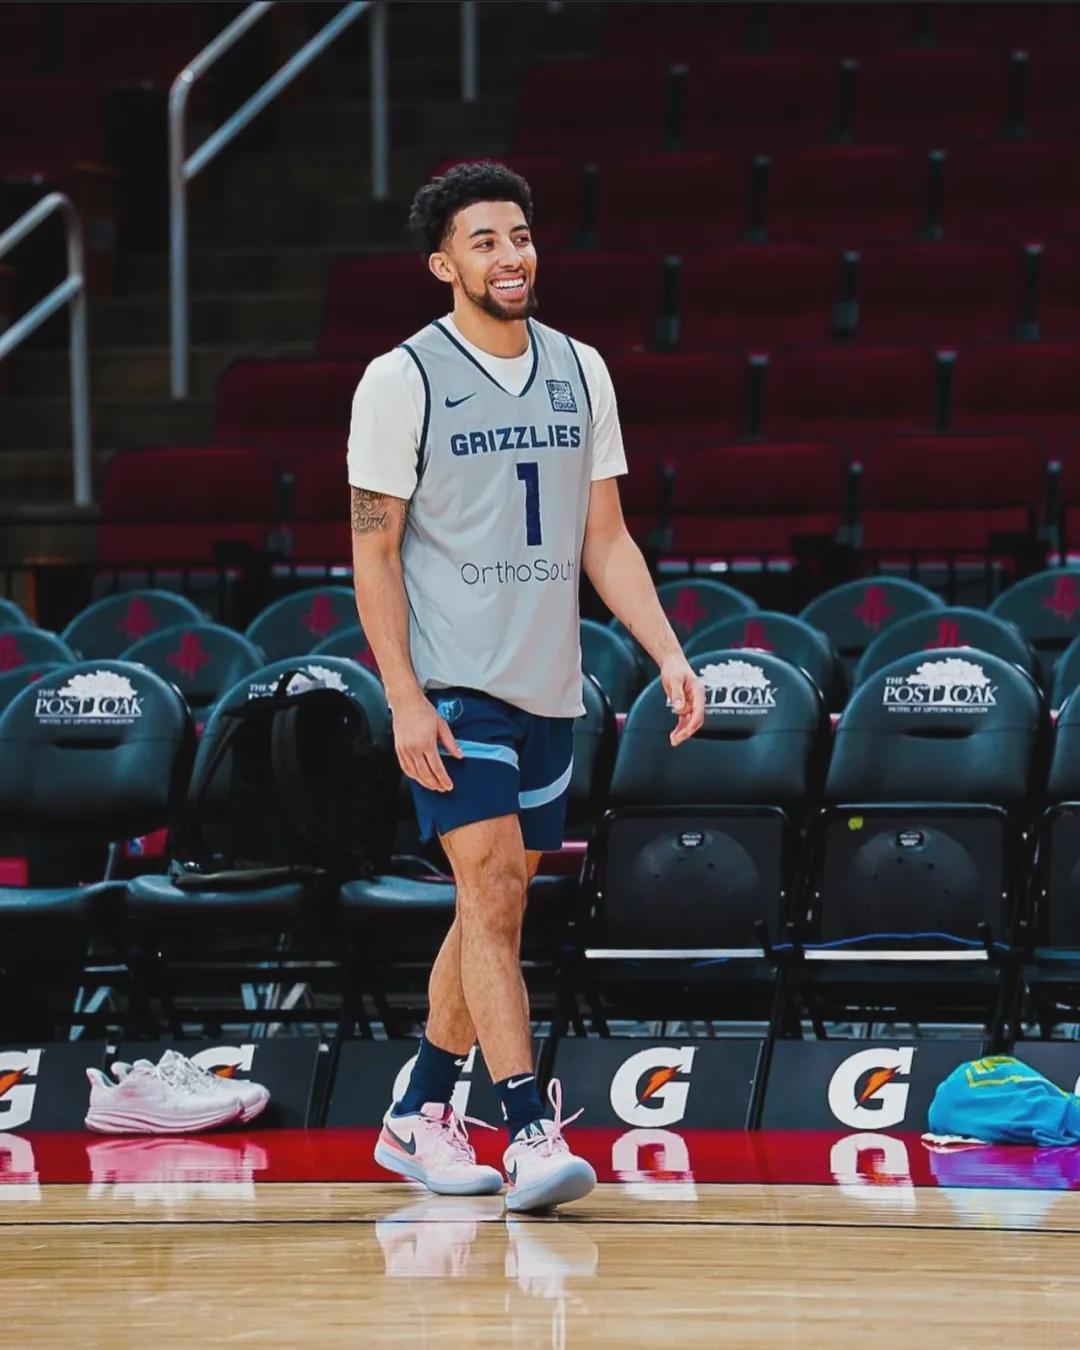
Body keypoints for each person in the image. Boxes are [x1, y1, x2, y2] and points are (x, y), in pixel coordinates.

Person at [347, 161, 706, 1212]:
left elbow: (606, 537)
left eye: (520, 236)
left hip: (550, 685)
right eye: (485, 242)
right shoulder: (400, 379)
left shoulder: (581, 369)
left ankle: (418, 1107)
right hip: (453, 683)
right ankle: (528, 1130)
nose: (511, 256)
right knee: (495, 892)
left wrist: (668, 652)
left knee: (487, 908)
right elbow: (374, 551)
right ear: (443, 265)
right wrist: (404, 696)